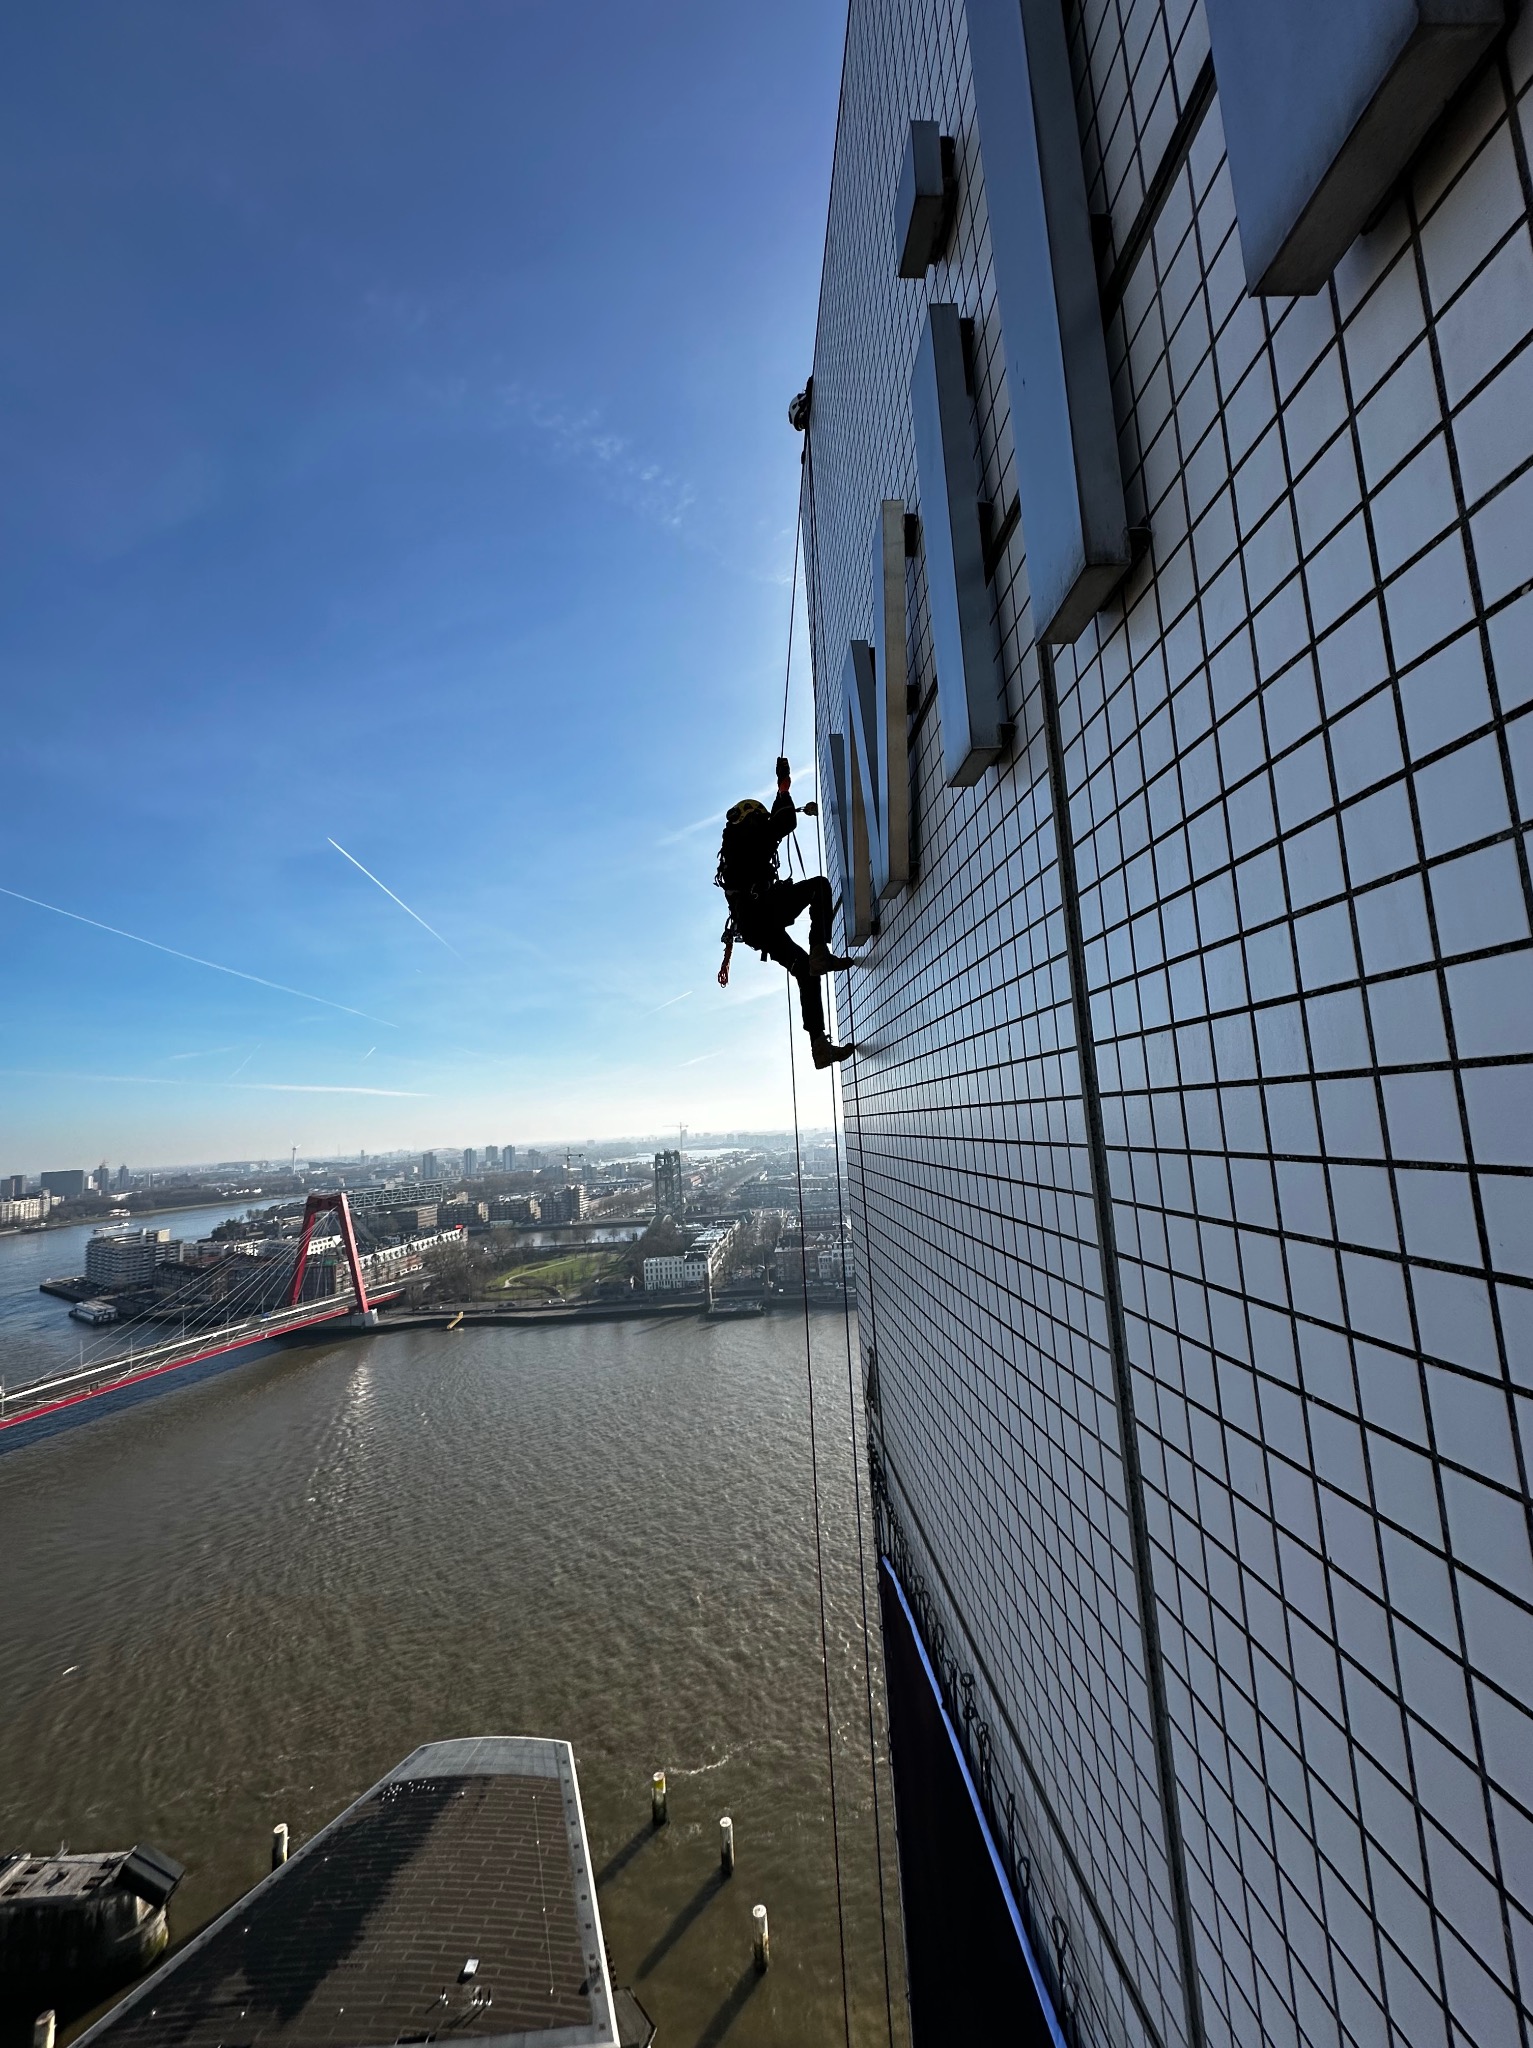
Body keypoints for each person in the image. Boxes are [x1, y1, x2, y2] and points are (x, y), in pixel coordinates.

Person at [716, 757, 857, 1068]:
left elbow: (777, 825)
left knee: (805, 971)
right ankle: (820, 949)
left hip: (755, 927)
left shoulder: (733, 848)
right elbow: (785, 822)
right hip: (765, 907)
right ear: (753, 816)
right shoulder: (750, 834)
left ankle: (819, 1046)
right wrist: (783, 787)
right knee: (819, 887)